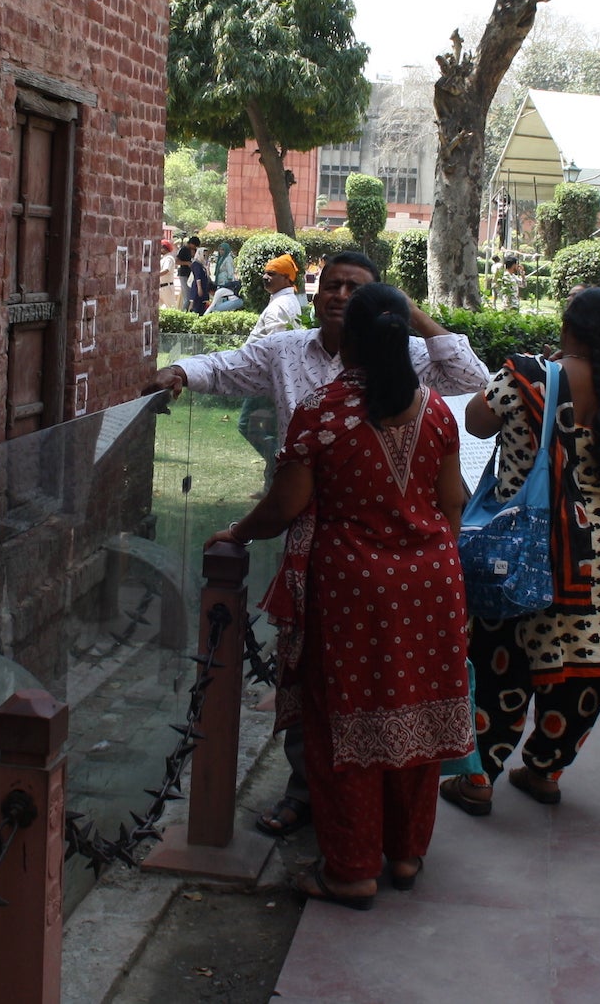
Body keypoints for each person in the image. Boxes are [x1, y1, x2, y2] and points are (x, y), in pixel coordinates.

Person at [145, 251, 488, 837]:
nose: (338, 296)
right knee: (316, 679)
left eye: (354, 289)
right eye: (330, 286)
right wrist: (181, 373)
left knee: (372, 682)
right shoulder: (287, 353)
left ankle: (365, 822)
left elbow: (475, 383)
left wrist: (414, 319)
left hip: (375, 555)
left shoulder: (405, 361)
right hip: (325, 549)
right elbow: (229, 367)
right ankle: (317, 797)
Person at [206, 283, 472, 908]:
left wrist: (240, 531)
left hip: (352, 587)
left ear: (347, 339)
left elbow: (288, 504)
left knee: (342, 724)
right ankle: (405, 856)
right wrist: (431, 561)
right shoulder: (434, 409)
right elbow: (453, 501)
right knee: (420, 713)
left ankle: (352, 869)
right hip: (432, 586)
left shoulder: (323, 411)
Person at [442, 289, 600, 813]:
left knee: (502, 665)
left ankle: (479, 779)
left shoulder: (525, 376)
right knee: (586, 666)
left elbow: (474, 422)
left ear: (566, 327)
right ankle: (545, 770)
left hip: (530, 549)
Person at [248, 253, 306, 340]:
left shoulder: (278, 307)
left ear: (286, 278)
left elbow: (276, 346)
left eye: (271, 274)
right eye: (265, 273)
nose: (264, 277)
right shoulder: (289, 299)